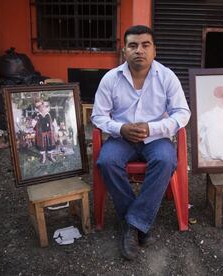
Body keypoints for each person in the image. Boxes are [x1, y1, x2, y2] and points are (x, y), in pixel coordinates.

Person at [91, 25, 190, 260]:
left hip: (155, 138)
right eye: (133, 45)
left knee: (166, 159)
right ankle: (138, 222)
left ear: (154, 50)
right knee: (106, 161)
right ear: (124, 50)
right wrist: (120, 128)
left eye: (146, 45)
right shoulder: (110, 79)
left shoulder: (167, 77)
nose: (139, 50)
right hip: (121, 139)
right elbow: (98, 116)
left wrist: (152, 128)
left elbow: (182, 113)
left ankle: (131, 224)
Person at [33, 100, 56, 164]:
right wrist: (35, 120)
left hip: (49, 133)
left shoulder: (49, 115)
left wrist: (54, 131)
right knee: (42, 146)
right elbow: (33, 125)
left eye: (43, 107)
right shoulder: (37, 116)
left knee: (50, 145)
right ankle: (44, 158)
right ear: (38, 109)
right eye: (40, 108)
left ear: (46, 108)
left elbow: (54, 124)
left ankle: (51, 156)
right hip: (41, 134)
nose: (42, 109)